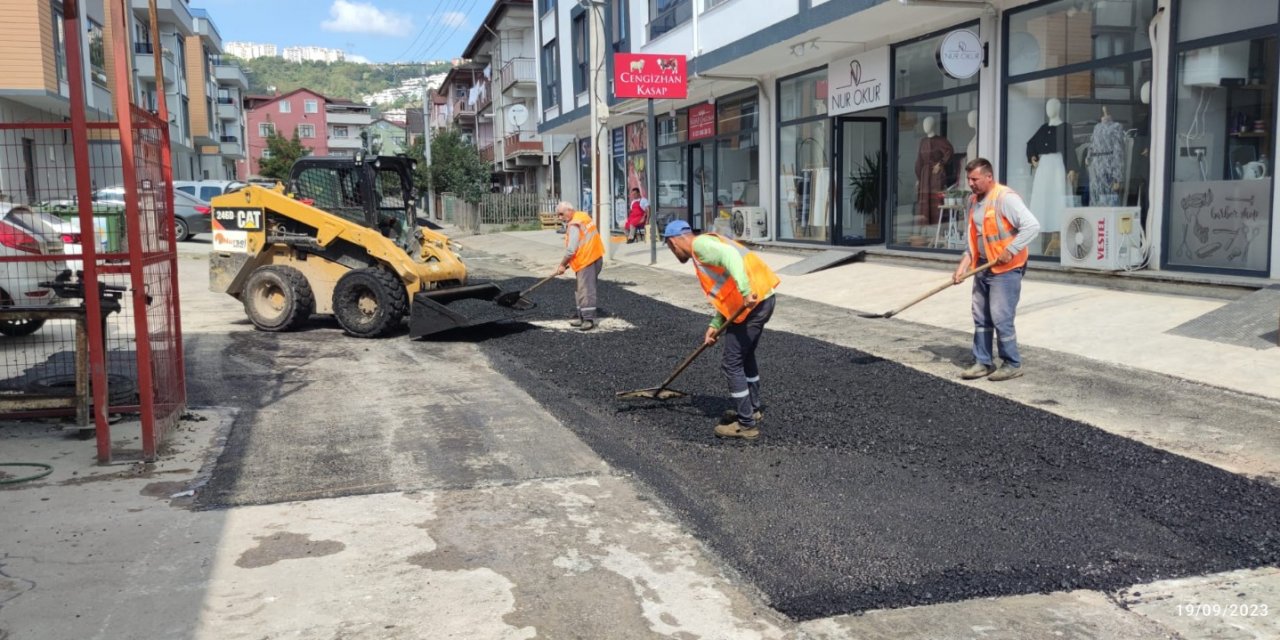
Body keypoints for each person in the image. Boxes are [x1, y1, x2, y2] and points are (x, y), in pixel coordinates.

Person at [662, 219, 780, 439]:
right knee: (745, 357)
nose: (672, 252)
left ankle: (746, 424)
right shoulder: (705, 247)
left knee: (731, 362)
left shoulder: (700, 246)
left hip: (753, 302)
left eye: (669, 247)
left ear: (674, 241)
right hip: (763, 298)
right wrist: (715, 325)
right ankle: (752, 410)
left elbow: (731, 257)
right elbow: (727, 291)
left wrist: (745, 291)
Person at [953, 158, 1040, 382]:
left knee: (1001, 317)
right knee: (981, 316)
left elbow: (1032, 226)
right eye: (968, 179)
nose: (971, 183)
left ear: (989, 177)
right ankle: (983, 362)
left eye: (975, 179)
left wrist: (1011, 249)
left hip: (1006, 269)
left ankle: (1012, 363)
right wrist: (962, 267)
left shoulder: (1005, 199)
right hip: (982, 266)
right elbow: (972, 240)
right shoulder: (972, 202)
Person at [554, 201, 605, 331]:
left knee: (586, 290)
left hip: (586, 260)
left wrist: (562, 265)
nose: (560, 217)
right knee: (581, 289)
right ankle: (581, 316)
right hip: (594, 256)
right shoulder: (583, 216)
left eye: (561, 214)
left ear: (569, 211)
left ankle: (588, 319)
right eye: (558, 215)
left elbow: (571, 250)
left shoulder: (574, 224)